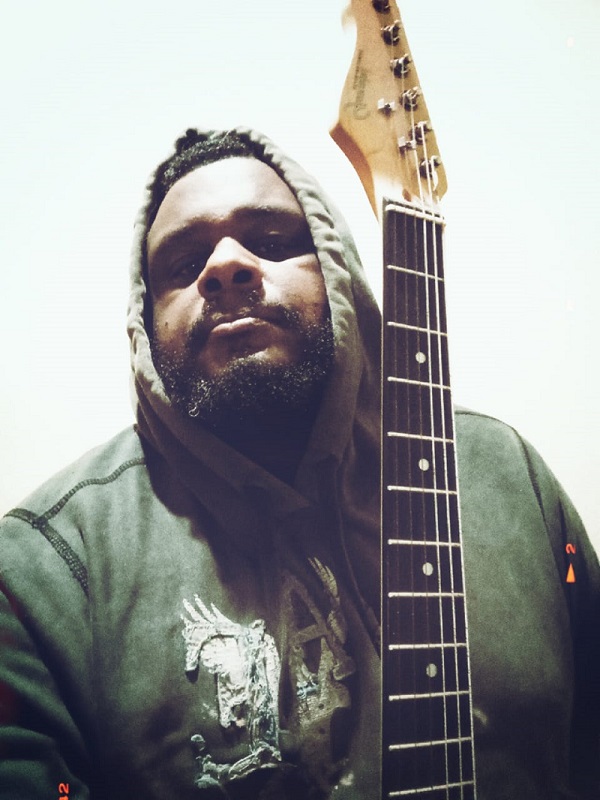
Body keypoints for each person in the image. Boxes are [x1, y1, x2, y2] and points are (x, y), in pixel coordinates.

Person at [0, 127, 598, 800]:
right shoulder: (43, 569)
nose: (226, 265)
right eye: (184, 262)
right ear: (144, 317)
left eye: (274, 241)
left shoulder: (506, 477)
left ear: (338, 272)